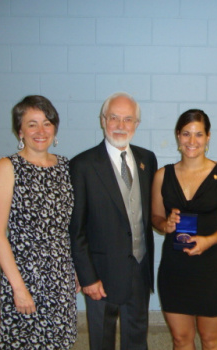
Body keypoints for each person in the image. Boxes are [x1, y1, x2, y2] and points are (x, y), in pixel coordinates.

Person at [0, 95, 78, 349]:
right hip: (25, 275)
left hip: (60, 275)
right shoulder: (7, 167)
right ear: (20, 130)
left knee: (59, 342)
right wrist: (19, 288)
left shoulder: (65, 167)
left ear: (55, 129)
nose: (41, 131)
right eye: (32, 124)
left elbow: (70, 227)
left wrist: (77, 269)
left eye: (47, 123)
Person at [69, 92, 157, 349]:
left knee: (137, 338)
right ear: (102, 120)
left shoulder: (147, 159)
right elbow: (76, 229)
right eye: (114, 118)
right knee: (102, 340)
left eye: (128, 119)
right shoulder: (82, 165)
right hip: (101, 275)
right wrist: (87, 277)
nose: (121, 125)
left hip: (139, 269)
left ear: (136, 124)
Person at [151, 109, 217, 349]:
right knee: (181, 340)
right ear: (178, 136)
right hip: (174, 269)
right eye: (186, 134)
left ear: (208, 137)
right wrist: (164, 224)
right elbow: (156, 216)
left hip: (210, 269)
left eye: (199, 134)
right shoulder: (163, 175)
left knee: (210, 339)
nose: (192, 141)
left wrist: (209, 240)